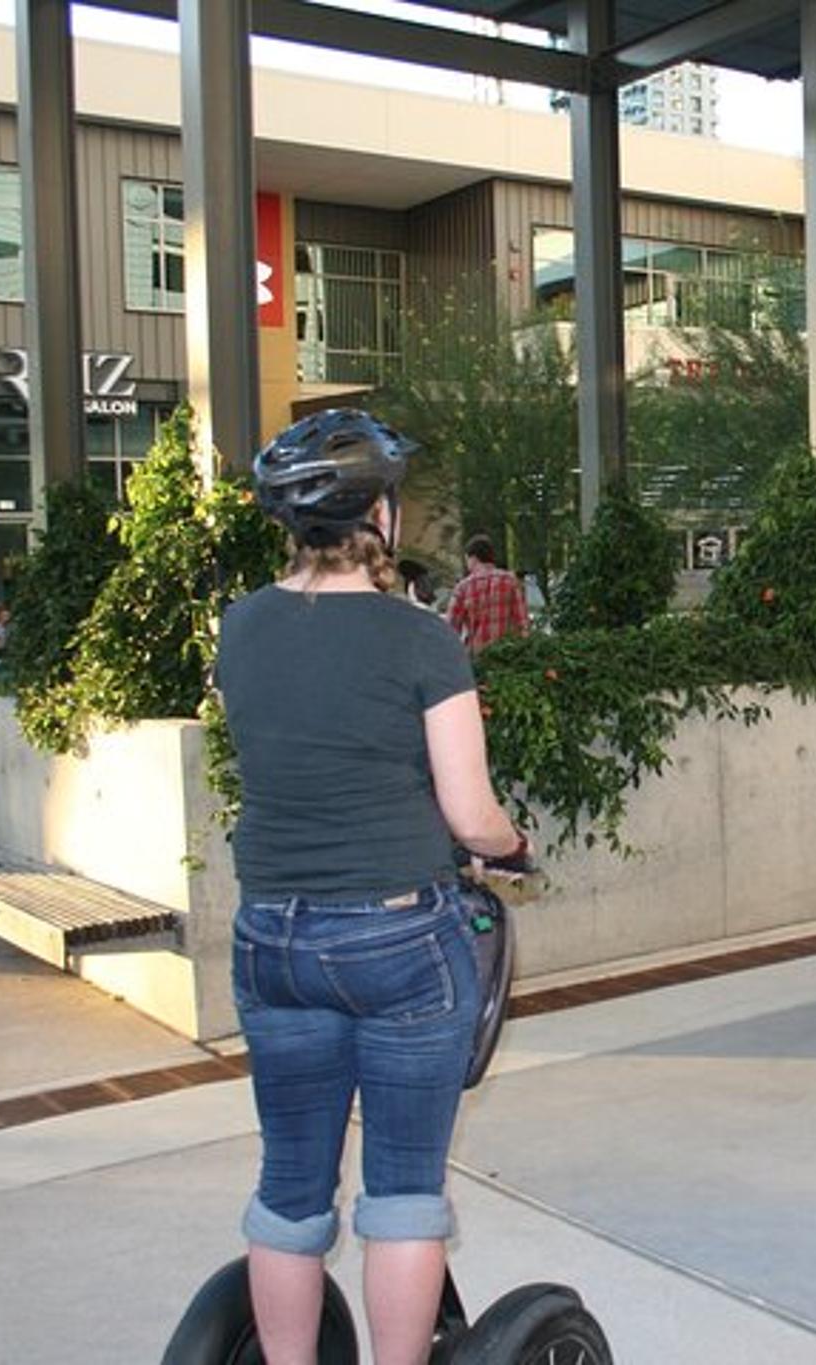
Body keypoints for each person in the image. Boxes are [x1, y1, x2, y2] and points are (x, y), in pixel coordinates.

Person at [215, 408, 530, 1365]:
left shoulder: (242, 625)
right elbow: (470, 815)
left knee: (292, 1185)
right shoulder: (418, 638)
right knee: (400, 1189)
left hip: (272, 939)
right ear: (380, 515)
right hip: (397, 939)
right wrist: (515, 847)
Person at [446, 533, 530, 654]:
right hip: (507, 658)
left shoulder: (462, 587)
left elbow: (450, 631)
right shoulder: (511, 581)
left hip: (476, 660)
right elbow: (523, 625)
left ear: (473, 558)